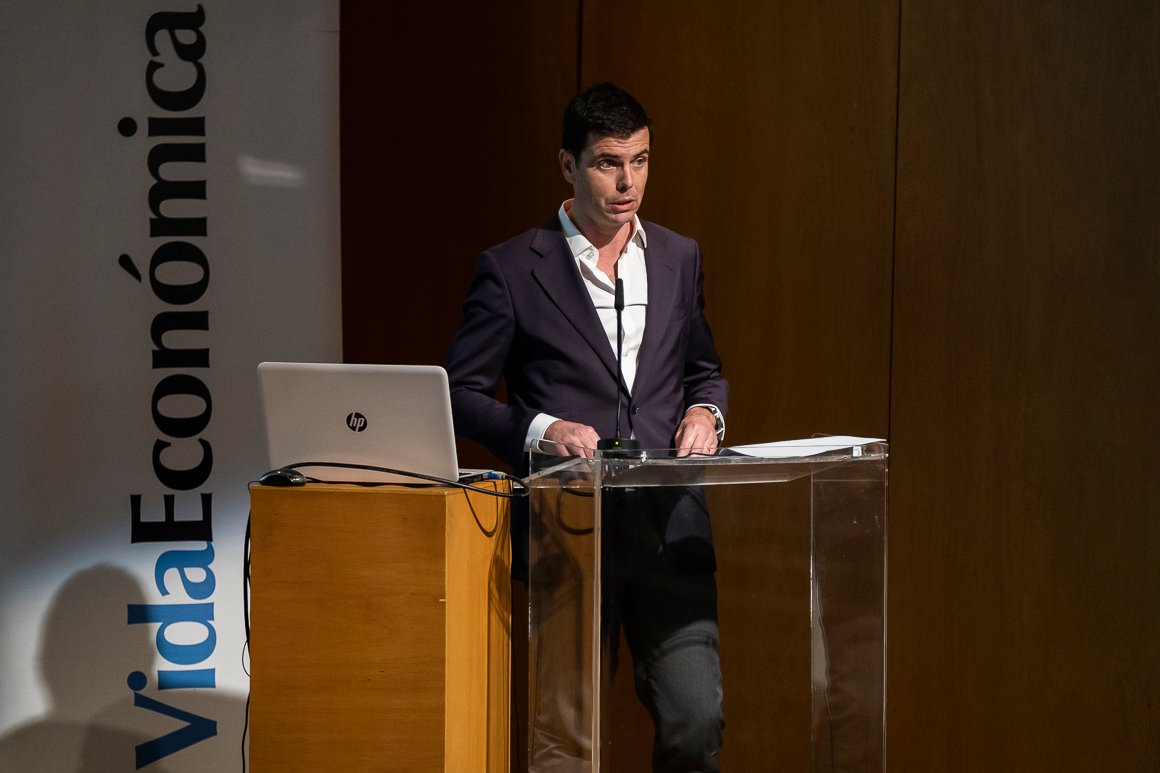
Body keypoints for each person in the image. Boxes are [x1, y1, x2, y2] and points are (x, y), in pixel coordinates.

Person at [445, 82, 728, 773]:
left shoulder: (678, 256)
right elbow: (458, 394)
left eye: (640, 160)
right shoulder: (513, 269)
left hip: (670, 528)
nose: (628, 182)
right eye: (608, 163)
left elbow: (704, 370)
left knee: (696, 722)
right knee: (568, 740)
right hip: (567, 528)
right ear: (568, 165)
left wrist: (706, 412)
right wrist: (541, 428)